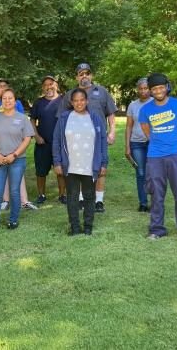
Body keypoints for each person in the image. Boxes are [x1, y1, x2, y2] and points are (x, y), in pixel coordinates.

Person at [138, 73, 177, 240]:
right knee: (156, 194)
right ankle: (156, 229)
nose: (158, 91)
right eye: (154, 89)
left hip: (176, 155)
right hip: (154, 156)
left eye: (160, 87)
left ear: (166, 87)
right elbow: (147, 131)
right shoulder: (145, 110)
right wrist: (159, 144)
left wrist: (173, 146)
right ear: (150, 91)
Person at [57, 63, 117, 213]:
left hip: (98, 139)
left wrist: (112, 132)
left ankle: (99, 200)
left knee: (100, 168)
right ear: (76, 77)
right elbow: (61, 119)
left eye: (87, 73)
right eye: (81, 73)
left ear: (92, 75)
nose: (84, 76)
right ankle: (82, 198)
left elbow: (110, 113)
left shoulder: (102, 92)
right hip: (76, 141)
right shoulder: (70, 94)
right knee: (79, 167)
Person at [53, 89, 108, 235]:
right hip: (70, 165)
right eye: (76, 100)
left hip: (90, 165)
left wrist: (103, 163)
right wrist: (57, 162)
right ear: (71, 102)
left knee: (90, 196)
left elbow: (102, 141)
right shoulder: (64, 118)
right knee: (72, 197)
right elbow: (57, 141)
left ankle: (88, 227)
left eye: (82, 100)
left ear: (87, 101)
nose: (79, 103)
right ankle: (75, 228)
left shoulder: (95, 118)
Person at [0, 88, 35, 231]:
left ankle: (13, 220)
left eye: (10, 98)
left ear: (15, 101)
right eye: (4, 98)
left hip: (17, 160)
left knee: (14, 191)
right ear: (1, 101)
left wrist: (14, 155)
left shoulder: (22, 118)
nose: (7, 101)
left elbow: (27, 139)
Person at [30, 75, 66, 205]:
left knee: (61, 170)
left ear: (56, 85)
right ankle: (41, 195)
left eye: (51, 84)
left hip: (61, 143)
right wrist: (36, 136)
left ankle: (63, 195)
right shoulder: (38, 103)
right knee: (41, 172)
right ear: (42, 88)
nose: (48, 87)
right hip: (43, 143)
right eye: (45, 85)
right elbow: (32, 120)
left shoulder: (64, 100)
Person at [125, 77, 152, 212]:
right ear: (137, 90)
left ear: (150, 89)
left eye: (145, 88)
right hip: (136, 143)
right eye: (140, 88)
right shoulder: (133, 105)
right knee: (141, 173)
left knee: (153, 173)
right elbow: (129, 127)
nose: (143, 91)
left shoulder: (156, 102)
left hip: (153, 143)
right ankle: (143, 203)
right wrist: (127, 146)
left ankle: (156, 202)